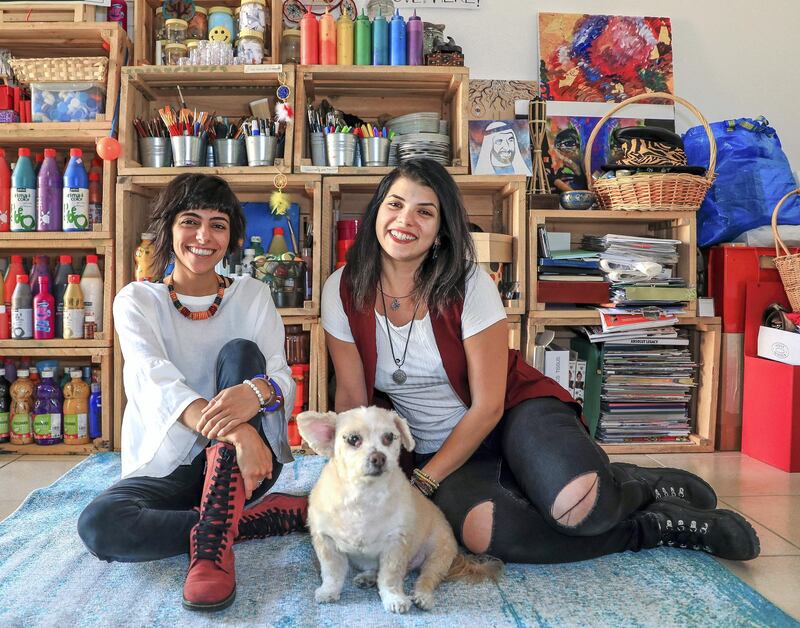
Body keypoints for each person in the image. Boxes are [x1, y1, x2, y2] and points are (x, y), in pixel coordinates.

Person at [321, 158, 760, 565]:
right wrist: (345, 478)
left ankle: (641, 485)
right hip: (439, 447)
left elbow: (489, 405)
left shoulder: (468, 283)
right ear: (377, 210)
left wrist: (424, 483)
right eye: (395, 204)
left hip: (514, 414)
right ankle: (653, 527)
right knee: (483, 534)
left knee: (579, 507)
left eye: (424, 212)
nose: (405, 221)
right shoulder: (343, 288)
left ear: (442, 231)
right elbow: (353, 396)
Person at [78, 174, 308, 612]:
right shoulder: (136, 300)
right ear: (167, 229)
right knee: (100, 525)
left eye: (218, 224)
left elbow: (283, 377)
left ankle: (210, 555)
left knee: (241, 354)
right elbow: (153, 378)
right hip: (167, 467)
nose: (204, 236)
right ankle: (232, 524)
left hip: (246, 468)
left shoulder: (253, 295)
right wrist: (236, 430)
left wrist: (257, 393)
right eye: (190, 221)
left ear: (232, 236)